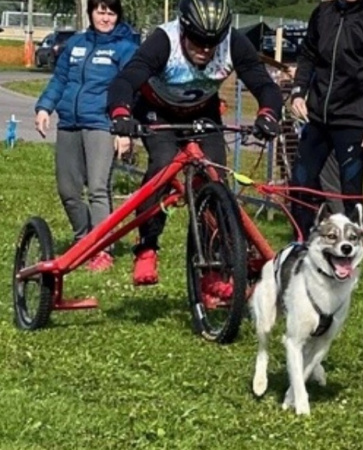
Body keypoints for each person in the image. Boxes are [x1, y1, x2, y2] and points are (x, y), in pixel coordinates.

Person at [107, 0, 283, 286]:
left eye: (212, 43)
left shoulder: (233, 43)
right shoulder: (164, 41)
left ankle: (214, 269)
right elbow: (125, 81)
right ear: (184, 30)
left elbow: (264, 85)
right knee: (163, 163)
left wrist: (268, 114)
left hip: (202, 114)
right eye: (198, 41)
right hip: (157, 111)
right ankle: (147, 247)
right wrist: (121, 113)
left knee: (215, 181)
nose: (204, 49)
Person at [34, 0, 138, 272]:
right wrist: (45, 107)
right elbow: (59, 80)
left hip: (102, 125)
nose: (105, 17)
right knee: (68, 191)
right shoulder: (75, 44)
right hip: (69, 122)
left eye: (111, 12)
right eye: (100, 11)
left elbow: (133, 89)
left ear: (118, 15)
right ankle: (84, 240)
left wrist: (124, 129)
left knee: (97, 189)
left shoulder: (126, 47)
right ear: (91, 13)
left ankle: (102, 249)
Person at [288, 0, 363, 239]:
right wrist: (298, 91)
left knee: (350, 191)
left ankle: (354, 246)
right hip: (317, 117)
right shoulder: (322, 13)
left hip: (354, 119)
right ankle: (300, 241)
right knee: (300, 184)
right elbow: (307, 55)